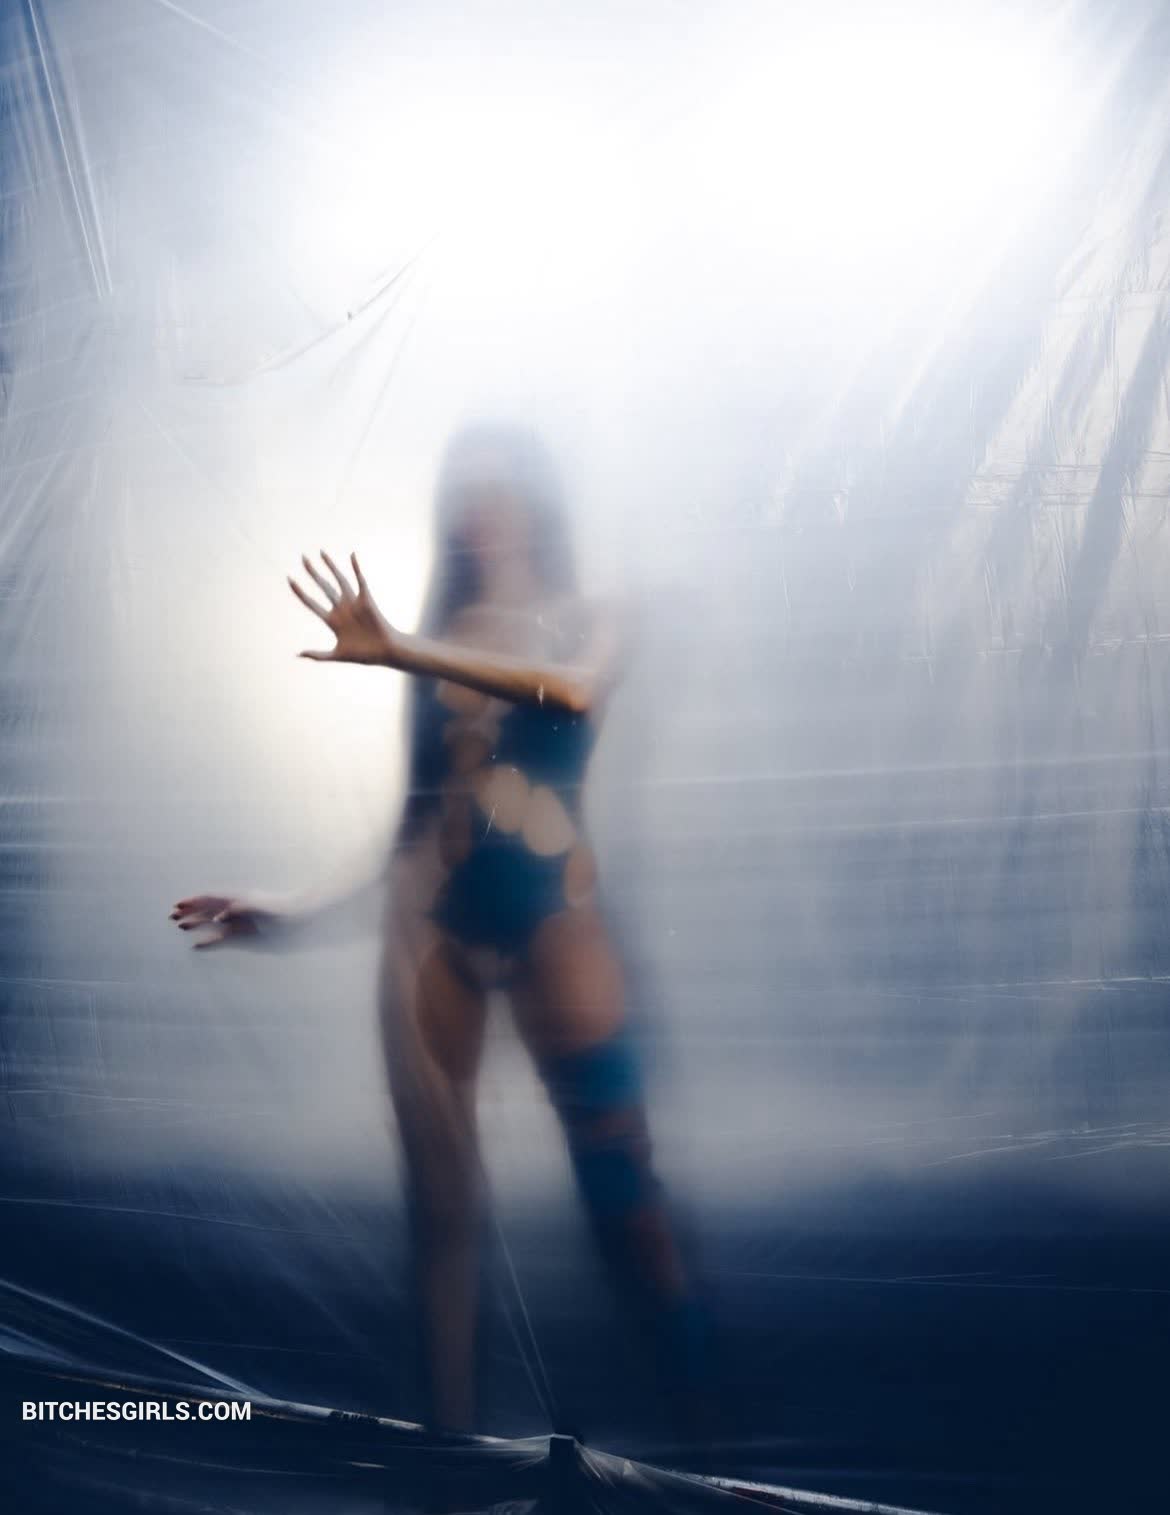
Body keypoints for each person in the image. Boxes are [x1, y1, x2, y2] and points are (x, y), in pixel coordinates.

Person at [171, 425, 709, 1438]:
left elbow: (575, 692)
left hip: (555, 918)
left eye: (499, 490)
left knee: (623, 1192)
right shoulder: (428, 637)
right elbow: (412, 828)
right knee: (441, 1208)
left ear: (537, 502)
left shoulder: (591, 614)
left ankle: (705, 1440)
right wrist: (286, 914)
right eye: (466, 492)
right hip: (431, 926)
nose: (480, 512)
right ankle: (445, 1465)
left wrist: (397, 650)